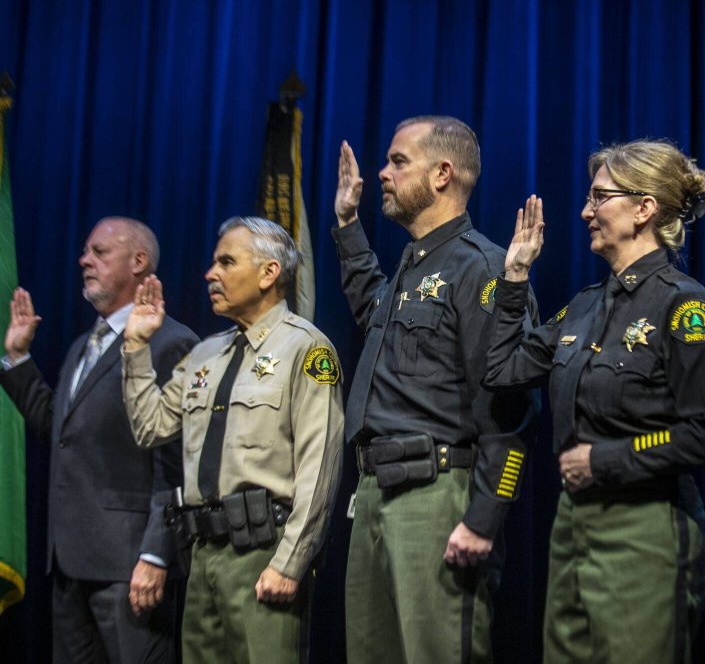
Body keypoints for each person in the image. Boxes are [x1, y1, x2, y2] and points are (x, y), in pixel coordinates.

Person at [483, 140, 705, 663]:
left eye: (600, 198)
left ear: (644, 208)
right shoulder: (583, 308)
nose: (585, 212)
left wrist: (607, 458)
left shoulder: (683, 304)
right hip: (574, 523)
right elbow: (502, 370)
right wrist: (515, 276)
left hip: (645, 526)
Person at [332, 116, 537, 663]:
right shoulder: (411, 265)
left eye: (399, 161)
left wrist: (484, 516)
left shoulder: (484, 268)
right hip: (375, 492)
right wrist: (348, 225)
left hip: (436, 494)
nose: (382, 173)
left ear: (443, 173)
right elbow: (368, 307)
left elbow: (511, 408)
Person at [120, 216, 344, 663]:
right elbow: (150, 427)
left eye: (226, 262)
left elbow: (320, 468)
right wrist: (136, 349)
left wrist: (291, 562)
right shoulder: (205, 354)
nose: (210, 274)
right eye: (212, 263)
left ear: (268, 273)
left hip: (263, 552)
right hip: (202, 555)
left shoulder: (307, 349)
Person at [0, 216, 197, 663]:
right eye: (86, 252)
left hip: (130, 566)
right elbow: (60, 432)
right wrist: (17, 359)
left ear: (138, 261)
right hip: (71, 562)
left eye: (99, 252)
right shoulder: (81, 346)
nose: (84, 260)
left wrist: (156, 553)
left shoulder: (171, 343)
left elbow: (177, 462)